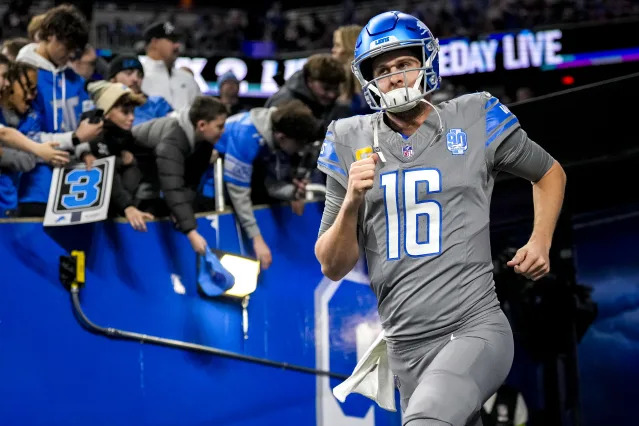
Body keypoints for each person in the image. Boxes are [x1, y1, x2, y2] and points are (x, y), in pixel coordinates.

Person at [314, 11, 566, 426]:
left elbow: (549, 172)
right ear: (367, 79)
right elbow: (332, 264)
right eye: (383, 70)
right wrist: (352, 202)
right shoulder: (349, 138)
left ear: (425, 62)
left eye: (403, 65)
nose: (394, 77)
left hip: (472, 327)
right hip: (405, 348)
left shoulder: (472, 115)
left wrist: (540, 240)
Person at [15, 4, 103, 217]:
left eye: (77, 48)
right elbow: (24, 137)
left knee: (75, 250)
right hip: (32, 186)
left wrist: (84, 150)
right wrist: (74, 138)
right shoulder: (22, 76)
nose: (72, 53)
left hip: (72, 186)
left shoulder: (74, 80)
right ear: (51, 35)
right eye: (68, 45)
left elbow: (81, 126)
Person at [216, 99, 318, 269]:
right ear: (282, 137)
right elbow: (238, 193)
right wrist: (257, 239)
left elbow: (271, 184)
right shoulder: (246, 136)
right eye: (298, 144)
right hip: (211, 171)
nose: (300, 150)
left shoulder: (277, 130)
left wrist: (292, 192)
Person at [132, 96, 227, 254]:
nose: (223, 131)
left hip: (153, 172)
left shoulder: (205, 143)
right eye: (220, 126)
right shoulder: (173, 140)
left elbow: (190, 182)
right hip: (133, 167)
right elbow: (173, 187)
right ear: (202, 125)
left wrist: (181, 215)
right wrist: (191, 232)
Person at [0, 59, 69, 216]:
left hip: (8, 200)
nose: (6, 84)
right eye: (4, 77)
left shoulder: (30, 117)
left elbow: (27, 160)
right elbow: (4, 133)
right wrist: (37, 149)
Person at [85, 80, 154, 232]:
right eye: (125, 112)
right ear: (107, 113)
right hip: (90, 221)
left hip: (112, 214)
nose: (132, 118)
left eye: (132, 112)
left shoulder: (124, 136)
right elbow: (107, 173)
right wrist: (127, 207)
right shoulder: (95, 135)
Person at [265, 53, 345, 136]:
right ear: (309, 80)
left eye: (336, 88)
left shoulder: (333, 103)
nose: (332, 95)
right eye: (326, 88)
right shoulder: (283, 102)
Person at [139, 21, 201, 111]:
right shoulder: (138, 78)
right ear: (154, 42)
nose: (177, 45)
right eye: (172, 40)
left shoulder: (187, 79)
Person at [107, 55, 173, 126]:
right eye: (128, 73)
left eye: (140, 75)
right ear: (112, 80)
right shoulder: (102, 105)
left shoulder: (157, 104)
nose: (135, 79)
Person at [331, 24, 370, 116]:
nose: (333, 50)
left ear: (350, 46)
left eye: (337, 45)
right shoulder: (342, 78)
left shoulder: (362, 77)